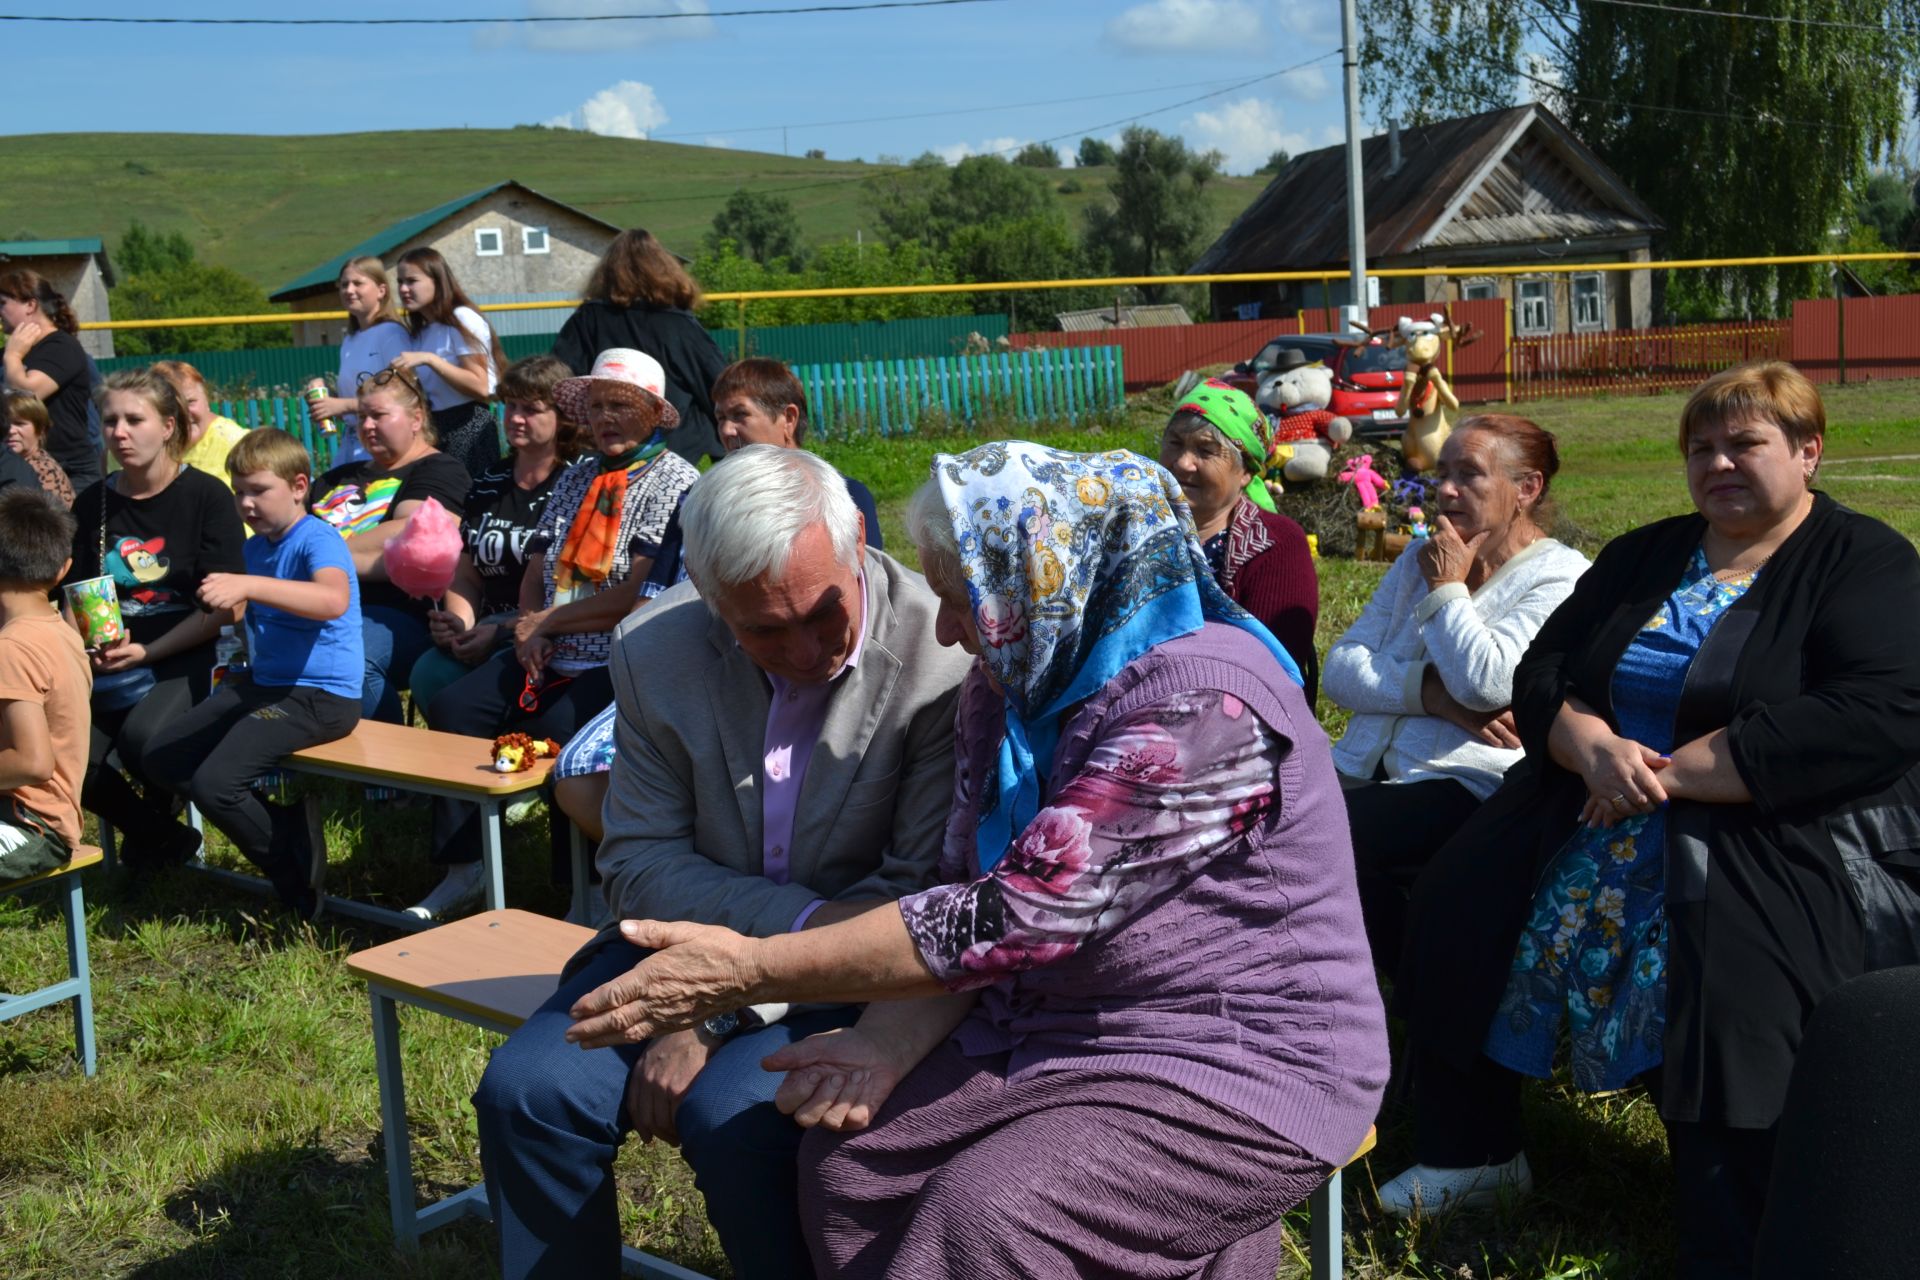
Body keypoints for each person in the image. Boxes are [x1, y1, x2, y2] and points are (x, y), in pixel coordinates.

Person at [560, 441, 1391, 1280]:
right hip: (1055, 1028)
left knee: (988, 1215)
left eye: (965, 600)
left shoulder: (1205, 705)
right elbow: (957, 887)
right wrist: (885, 1042)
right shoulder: (1008, 691)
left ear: (1048, 583)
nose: (951, 632)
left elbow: (1015, 915)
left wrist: (748, 970)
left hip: (1232, 1053)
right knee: (850, 1169)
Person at [1383, 363, 1920, 1280]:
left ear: (1807, 451)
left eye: (1745, 444)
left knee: (1730, 968)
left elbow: (1883, 706)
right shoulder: (1647, 553)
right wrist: (1589, 744)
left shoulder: (1864, 562)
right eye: (1701, 448)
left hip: (1771, 820)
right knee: (1459, 893)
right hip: (1596, 789)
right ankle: (1476, 1148)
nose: (1718, 463)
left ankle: (1741, 1216)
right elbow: (1546, 670)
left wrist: (1702, 770)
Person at [471, 444, 972, 1279]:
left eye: (824, 613)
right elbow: (638, 862)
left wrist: (720, 1008)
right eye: (765, 631)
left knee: (735, 1115)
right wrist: (764, 952)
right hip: (688, 941)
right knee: (530, 1094)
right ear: (707, 599)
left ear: (857, 549)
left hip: (854, 971)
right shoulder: (653, 648)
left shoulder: (938, 660)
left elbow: (915, 892)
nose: (808, 651)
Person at [550, 356, 886, 843]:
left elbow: (865, 598)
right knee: (579, 772)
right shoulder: (698, 501)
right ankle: (649, 868)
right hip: (685, 662)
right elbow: (647, 600)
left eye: (740, 415)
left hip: (789, 676)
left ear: (787, 418)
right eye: (719, 417)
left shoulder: (837, 497)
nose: (726, 431)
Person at [412, 349, 697, 922]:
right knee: (452, 710)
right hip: (550, 645)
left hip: (622, 657)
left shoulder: (677, 481)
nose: (605, 418)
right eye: (596, 407)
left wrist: (547, 624)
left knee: (565, 739)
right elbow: (537, 571)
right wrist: (529, 629)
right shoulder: (578, 476)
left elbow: (638, 597)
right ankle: (466, 867)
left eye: (620, 405)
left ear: (650, 412)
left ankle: (588, 888)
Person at [1324, 414, 1588, 972]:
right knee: (1252, 817)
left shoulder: (1559, 577)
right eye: (1442, 473)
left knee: (1323, 841)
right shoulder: (1414, 560)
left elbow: (1487, 681)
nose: (1445, 490)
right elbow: (1340, 670)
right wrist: (1434, 698)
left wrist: (1447, 588)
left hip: (1461, 780)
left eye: (1469, 475)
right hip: (1361, 764)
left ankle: (1403, 979)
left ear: (1527, 488)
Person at [142, 428, 362, 919]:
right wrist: (151, 648)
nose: (246, 503)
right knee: (160, 757)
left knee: (215, 784)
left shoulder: (317, 539)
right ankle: (282, 826)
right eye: (239, 491)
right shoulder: (258, 548)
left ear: (299, 486)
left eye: (259, 490)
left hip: (321, 698)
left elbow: (332, 600)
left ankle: (296, 883)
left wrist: (250, 585)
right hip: (266, 686)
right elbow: (232, 613)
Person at [63, 369, 246, 868]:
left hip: (188, 650)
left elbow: (227, 605)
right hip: (106, 659)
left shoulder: (207, 497)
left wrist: (145, 652)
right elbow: (71, 596)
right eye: (110, 421)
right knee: (66, 754)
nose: (119, 432)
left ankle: (156, 819)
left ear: (169, 426)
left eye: (134, 419)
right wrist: (86, 648)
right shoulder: (93, 502)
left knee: (145, 740)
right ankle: (161, 834)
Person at [411, 355, 584, 715]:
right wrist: (459, 624)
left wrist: (503, 631)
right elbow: (466, 571)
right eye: (510, 406)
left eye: (531, 409)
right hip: (487, 627)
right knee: (429, 671)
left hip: (551, 630)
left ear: (562, 416)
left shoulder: (578, 482)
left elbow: (576, 587)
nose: (516, 418)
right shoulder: (488, 482)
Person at [307, 364, 469, 724]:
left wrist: (320, 557)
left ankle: (388, 777)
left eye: (379, 415)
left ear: (416, 418)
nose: (366, 426)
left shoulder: (438, 470)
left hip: (401, 616)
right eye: (362, 416)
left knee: (350, 657)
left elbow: (413, 533)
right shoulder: (335, 478)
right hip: (321, 608)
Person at [1156, 379, 1320, 699]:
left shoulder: (1276, 543)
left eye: (1205, 450)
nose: (1182, 463)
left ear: (1245, 472)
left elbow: (1270, 667)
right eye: (1174, 443)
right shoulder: (1136, 528)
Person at [551, 228, 726, 464]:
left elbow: (560, 376)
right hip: (674, 446)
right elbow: (716, 384)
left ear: (607, 273)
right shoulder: (679, 323)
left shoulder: (588, 319)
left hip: (606, 443)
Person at [0, 489, 89, 885]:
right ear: (63, 569)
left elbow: (33, 762)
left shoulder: (13, 647)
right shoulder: (61, 632)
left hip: (34, 825)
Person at [391, 247, 505, 480]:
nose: (403, 289)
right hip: (437, 426)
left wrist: (431, 360)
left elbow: (480, 386)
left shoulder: (461, 318)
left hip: (469, 425)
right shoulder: (423, 330)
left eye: (412, 281)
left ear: (437, 281)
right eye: (400, 281)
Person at [306, 255, 409, 469]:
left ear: (381, 290)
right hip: (354, 439)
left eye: (358, 283)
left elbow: (402, 396)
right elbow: (359, 394)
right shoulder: (351, 339)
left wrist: (341, 406)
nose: (349, 290)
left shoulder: (391, 333)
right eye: (344, 285)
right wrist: (326, 401)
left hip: (383, 443)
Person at [0, 268, 99, 489]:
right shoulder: (8, 353)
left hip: (69, 469)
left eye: (3, 303)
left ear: (30, 305)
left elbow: (25, 395)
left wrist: (13, 356)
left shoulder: (62, 347)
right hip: (17, 464)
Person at [148, 361, 247, 490]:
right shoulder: (150, 449)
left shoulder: (240, 445)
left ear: (206, 399)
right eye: (173, 405)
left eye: (190, 402)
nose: (183, 412)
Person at [5, 390, 73, 508]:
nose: (11, 431)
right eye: (6, 423)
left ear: (40, 429)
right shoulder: (17, 463)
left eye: (19, 423)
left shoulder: (44, 471)